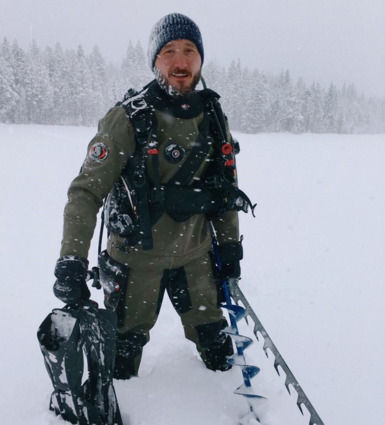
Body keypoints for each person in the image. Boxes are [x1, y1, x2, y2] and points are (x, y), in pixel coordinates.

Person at [53, 13, 254, 380]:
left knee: (218, 355)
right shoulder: (128, 119)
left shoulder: (212, 116)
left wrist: (228, 247)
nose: (181, 62)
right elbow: (86, 191)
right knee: (122, 363)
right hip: (136, 263)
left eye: (190, 51)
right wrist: (71, 259)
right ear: (154, 61)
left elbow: (225, 191)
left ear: (200, 59)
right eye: (169, 51)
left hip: (195, 260)